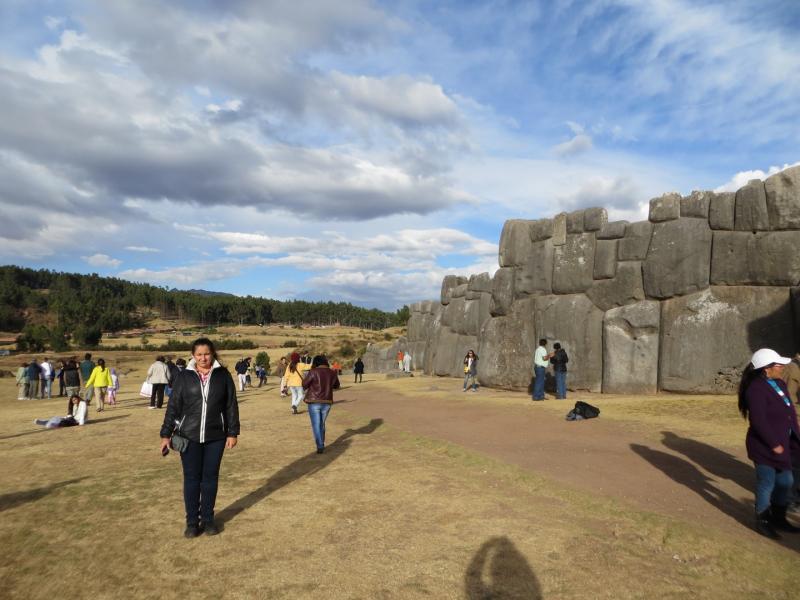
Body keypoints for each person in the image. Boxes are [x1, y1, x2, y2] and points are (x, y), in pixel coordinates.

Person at [159, 338, 239, 538]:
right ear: (193, 356)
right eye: (199, 354)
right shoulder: (184, 377)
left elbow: (231, 405)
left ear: (212, 353)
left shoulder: (223, 375)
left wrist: (232, 432)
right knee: (192, 479)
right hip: (189, 436)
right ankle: (192, 522)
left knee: (210, 479)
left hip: (216, 436)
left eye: (207, 353)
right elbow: (173, 407)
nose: (203, 358)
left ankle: (209, 519)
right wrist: (165, 434)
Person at [738, 348, 800, 538]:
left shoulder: (779, 384)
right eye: (778, 365)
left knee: (786, 480)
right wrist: (773, 444)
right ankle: (763, 520)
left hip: (785, 442)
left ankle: (778, 517)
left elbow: (790, 413)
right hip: (764, 445)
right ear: (766, 368)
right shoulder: (755, 389)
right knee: (767, 482)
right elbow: (758, 421)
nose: (782, 367)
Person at [302, 355, 340, 454]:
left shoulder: (313, 372)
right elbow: (337, 385)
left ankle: (320, 445)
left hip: (314, 401)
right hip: (327, 402)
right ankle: (321, 443)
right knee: (321, 424)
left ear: (316, 363)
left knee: (316, 424)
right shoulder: (332, 372)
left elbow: (304, 385)